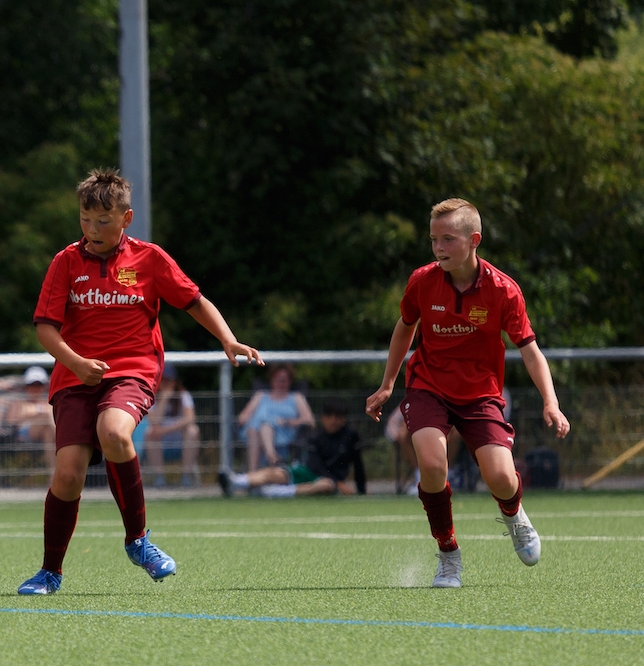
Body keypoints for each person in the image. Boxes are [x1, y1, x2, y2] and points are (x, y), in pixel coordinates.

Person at [16, 169, 263, 595]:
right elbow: (45, 328)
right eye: (85, 219)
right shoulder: (65, 262)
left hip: (132, 369)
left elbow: (195, 301)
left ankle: (138, 540)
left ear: (126, 218)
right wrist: (76, 363)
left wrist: (228, 338)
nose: (92, 230)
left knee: (114, 432)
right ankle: (50, 572)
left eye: (103, 221)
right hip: (75, 375)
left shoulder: (149, 259)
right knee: (68, 475)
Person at [365, 198, 570, 589]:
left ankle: (514, 515)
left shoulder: (503, 290)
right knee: (432, 465)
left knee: (501, 478)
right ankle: (448, 555)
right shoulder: (422, 281)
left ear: (474, 240)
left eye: (448, 239)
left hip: (480, 394)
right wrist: (388, 383)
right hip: (428, 386)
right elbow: (405, 327)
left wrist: (551, 402)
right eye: (433, 239)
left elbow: (530, 350)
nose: (438, 248)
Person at [220, 398, 365, 498]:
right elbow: (316, 466)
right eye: (329, 415)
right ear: (323, 417)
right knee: (276, 473)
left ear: (344, 418)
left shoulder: (351, 436)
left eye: (338, 416)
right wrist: (338, 483)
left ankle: (276, 492)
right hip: (308, 472)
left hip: (327, 482)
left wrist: (361, 490)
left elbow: (358, 464)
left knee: (326, 486)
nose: (333, 420)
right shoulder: (316, 437)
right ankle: (236, 481)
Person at [237, 364, 315, 471]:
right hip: (255, 434)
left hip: (284, 433)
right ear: (272, 379)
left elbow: (310, 421)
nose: (280, 383)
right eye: (278, 379)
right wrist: (259, 419)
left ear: (290, 381)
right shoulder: (260, 395)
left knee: (264, 426)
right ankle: (271, 458)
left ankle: (255, 472)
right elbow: (242, 418)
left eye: (284, 380)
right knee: (256, 428)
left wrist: (288, 422)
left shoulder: (296, 397)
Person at [140, 363, 201, 488]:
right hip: (160, 441)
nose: (166, 383)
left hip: (179, 439)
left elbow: (190, 419)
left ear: (174, 381)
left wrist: (165, 430)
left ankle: (186, 476)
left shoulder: (183, 396)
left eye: (169, 380)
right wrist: (165, 397)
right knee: (149, 433)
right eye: (163, 380)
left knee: (193, 431)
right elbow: (154, 421)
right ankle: (159, 478)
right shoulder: (152, 398)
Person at [4, 365, 56, 474]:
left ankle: (53, 474)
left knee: (48, 431)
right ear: (26, 387)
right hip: (25, 433)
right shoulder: (19, 403)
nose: (35, 389)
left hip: (48, 433)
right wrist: (35, 416)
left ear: (44, 387)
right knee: (46, 419)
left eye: (39, 385)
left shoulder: (49, 403)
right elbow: (10, 421)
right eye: (32, 385)